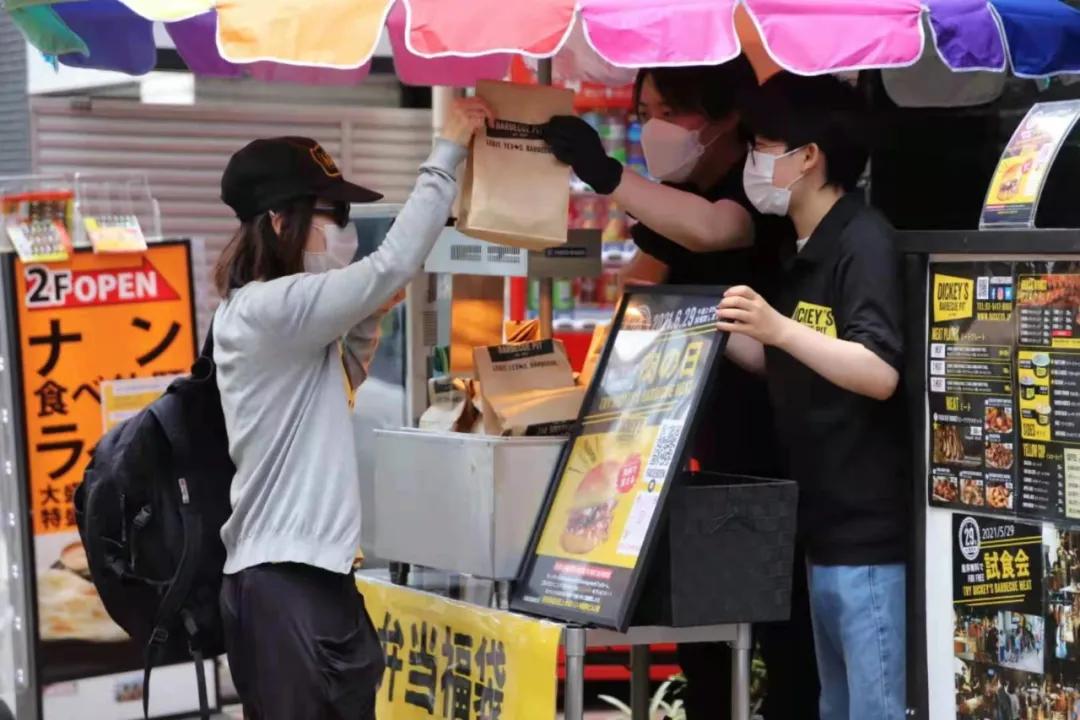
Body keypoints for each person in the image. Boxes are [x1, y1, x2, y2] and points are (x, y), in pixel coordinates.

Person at [543, 58, 819, 720]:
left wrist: (607, 173)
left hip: (775, 445)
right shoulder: (674, 197)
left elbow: (716, 228)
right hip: (696, 442)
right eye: (644, 115)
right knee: (705, 622)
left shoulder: (754, 189)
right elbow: (639, 283)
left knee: (782, 632)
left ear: (727, 116)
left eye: (671, 112)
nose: (654, 129)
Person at [210, 98, 491, 719]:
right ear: (280, 222)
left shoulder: (274, 317)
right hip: (287, 585)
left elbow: (340, 384)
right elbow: (390, 264)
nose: (345, 229)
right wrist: (446, 151)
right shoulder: (269, 307)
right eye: (332, 214)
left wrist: (369, 313)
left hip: (305, 581)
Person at [717, 72, 909, 720]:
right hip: (821, 531)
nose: (753, 160)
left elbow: (878, 369)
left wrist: (777, 328)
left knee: (874, 709)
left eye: (763, 145)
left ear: (808, 157)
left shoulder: (863, 240)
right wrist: (711, 333)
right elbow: (790, 359)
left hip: (869, 539)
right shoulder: (802, 250)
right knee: (837, 706)